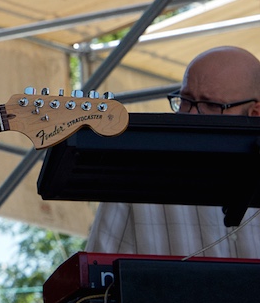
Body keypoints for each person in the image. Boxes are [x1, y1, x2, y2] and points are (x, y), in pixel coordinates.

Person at [86, 45, 260, 258]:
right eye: (185, 101)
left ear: (255, 113)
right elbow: (96, 284)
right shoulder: (133, 185)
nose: (191, 116)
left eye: (211, 105)